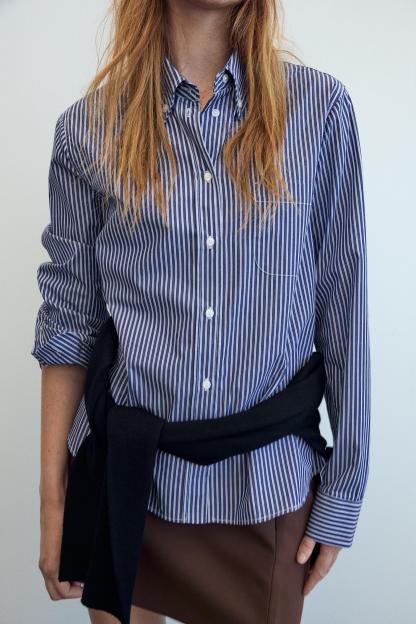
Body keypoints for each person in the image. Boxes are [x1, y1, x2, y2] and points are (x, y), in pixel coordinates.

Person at [32, 1, 371, 623]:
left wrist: (345, 489)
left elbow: (344, 311)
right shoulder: (88, 130)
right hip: (125, 484)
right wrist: (53, 500)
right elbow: (68, 322)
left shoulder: (319, 112)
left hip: (264, 488)